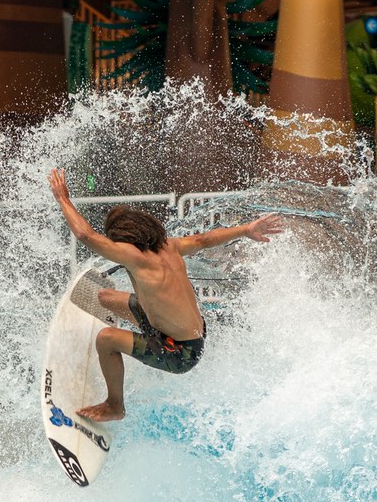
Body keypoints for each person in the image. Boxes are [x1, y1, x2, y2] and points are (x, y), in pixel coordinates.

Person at [48, 168, 285, 422]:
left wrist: (63, 199)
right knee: (104, 297)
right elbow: (205, 239)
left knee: (105, 338)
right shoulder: (170, 245)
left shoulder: (134, 257)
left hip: (179, 352)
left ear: (125, 241)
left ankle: (114, 404)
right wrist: (247, 229)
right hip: (184, 332)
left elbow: (85, 235)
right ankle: (117, 350)